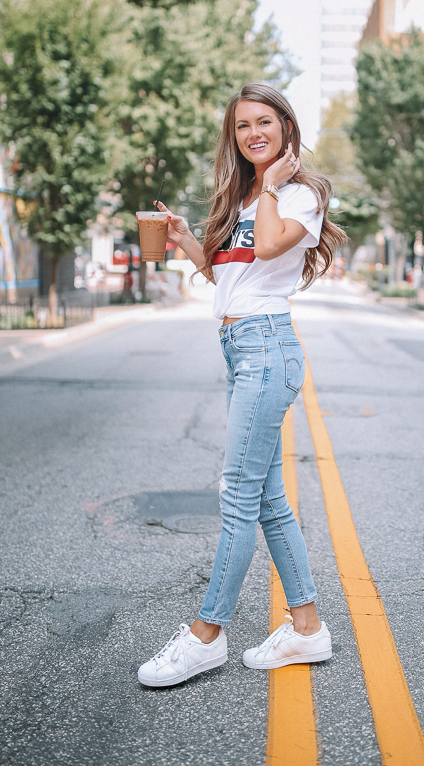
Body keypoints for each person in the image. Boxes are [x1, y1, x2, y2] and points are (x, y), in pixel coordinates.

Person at [137, 83, 347, 688]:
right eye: (241, 127)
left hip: (266, 346)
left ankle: (207, 635)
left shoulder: (297, 193)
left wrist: (277, 188)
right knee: (266, 500)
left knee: (235, 494)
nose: (252, 133)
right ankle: (307, 629)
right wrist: (181, 239)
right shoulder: (248, 195)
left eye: (263, 122)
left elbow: (275, 245)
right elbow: (229, 274)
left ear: (285, 127)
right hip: (239, 346)